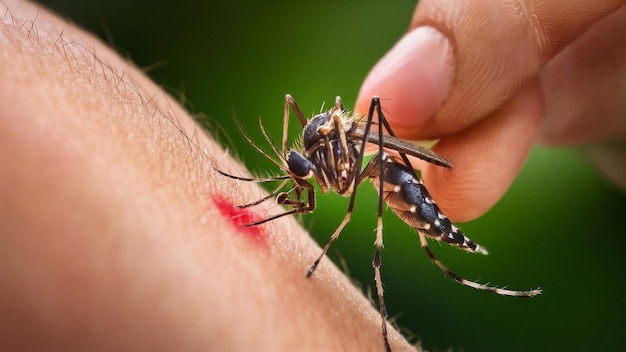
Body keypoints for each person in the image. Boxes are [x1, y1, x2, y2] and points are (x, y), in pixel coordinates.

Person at [0, 0, 623, 350]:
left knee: (379, 184)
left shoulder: (334, 153)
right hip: (379, 156)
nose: (298, 182)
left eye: (296, 172)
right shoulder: (313, 153)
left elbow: (354, 174)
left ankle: (425, 257)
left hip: (385, 162)